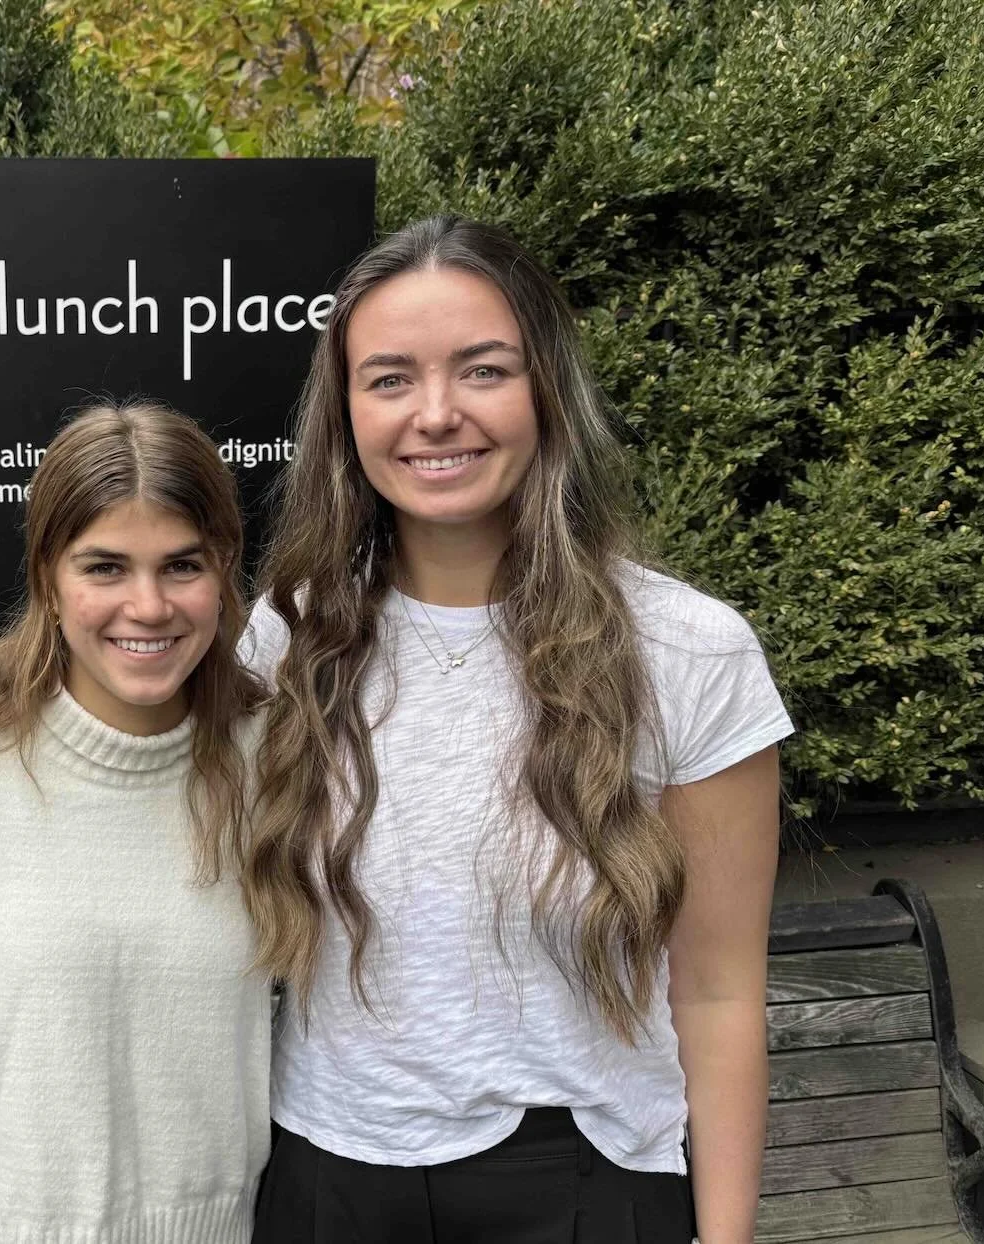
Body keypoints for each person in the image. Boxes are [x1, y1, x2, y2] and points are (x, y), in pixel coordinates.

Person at [243, 216, 793, 1244]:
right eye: (391, 377)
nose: (436, 414)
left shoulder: (689, 650)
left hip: (586, 1180)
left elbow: (719, 994)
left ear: (547, 390)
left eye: (483, 370)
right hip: (326, 1175)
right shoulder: (290, 632)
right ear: (346, 408)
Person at [0, 403, 270, 1243]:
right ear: (47, 581)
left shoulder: (269, 761)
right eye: (104, 567)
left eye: (182, 566)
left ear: (224, 574)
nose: (148, 605)